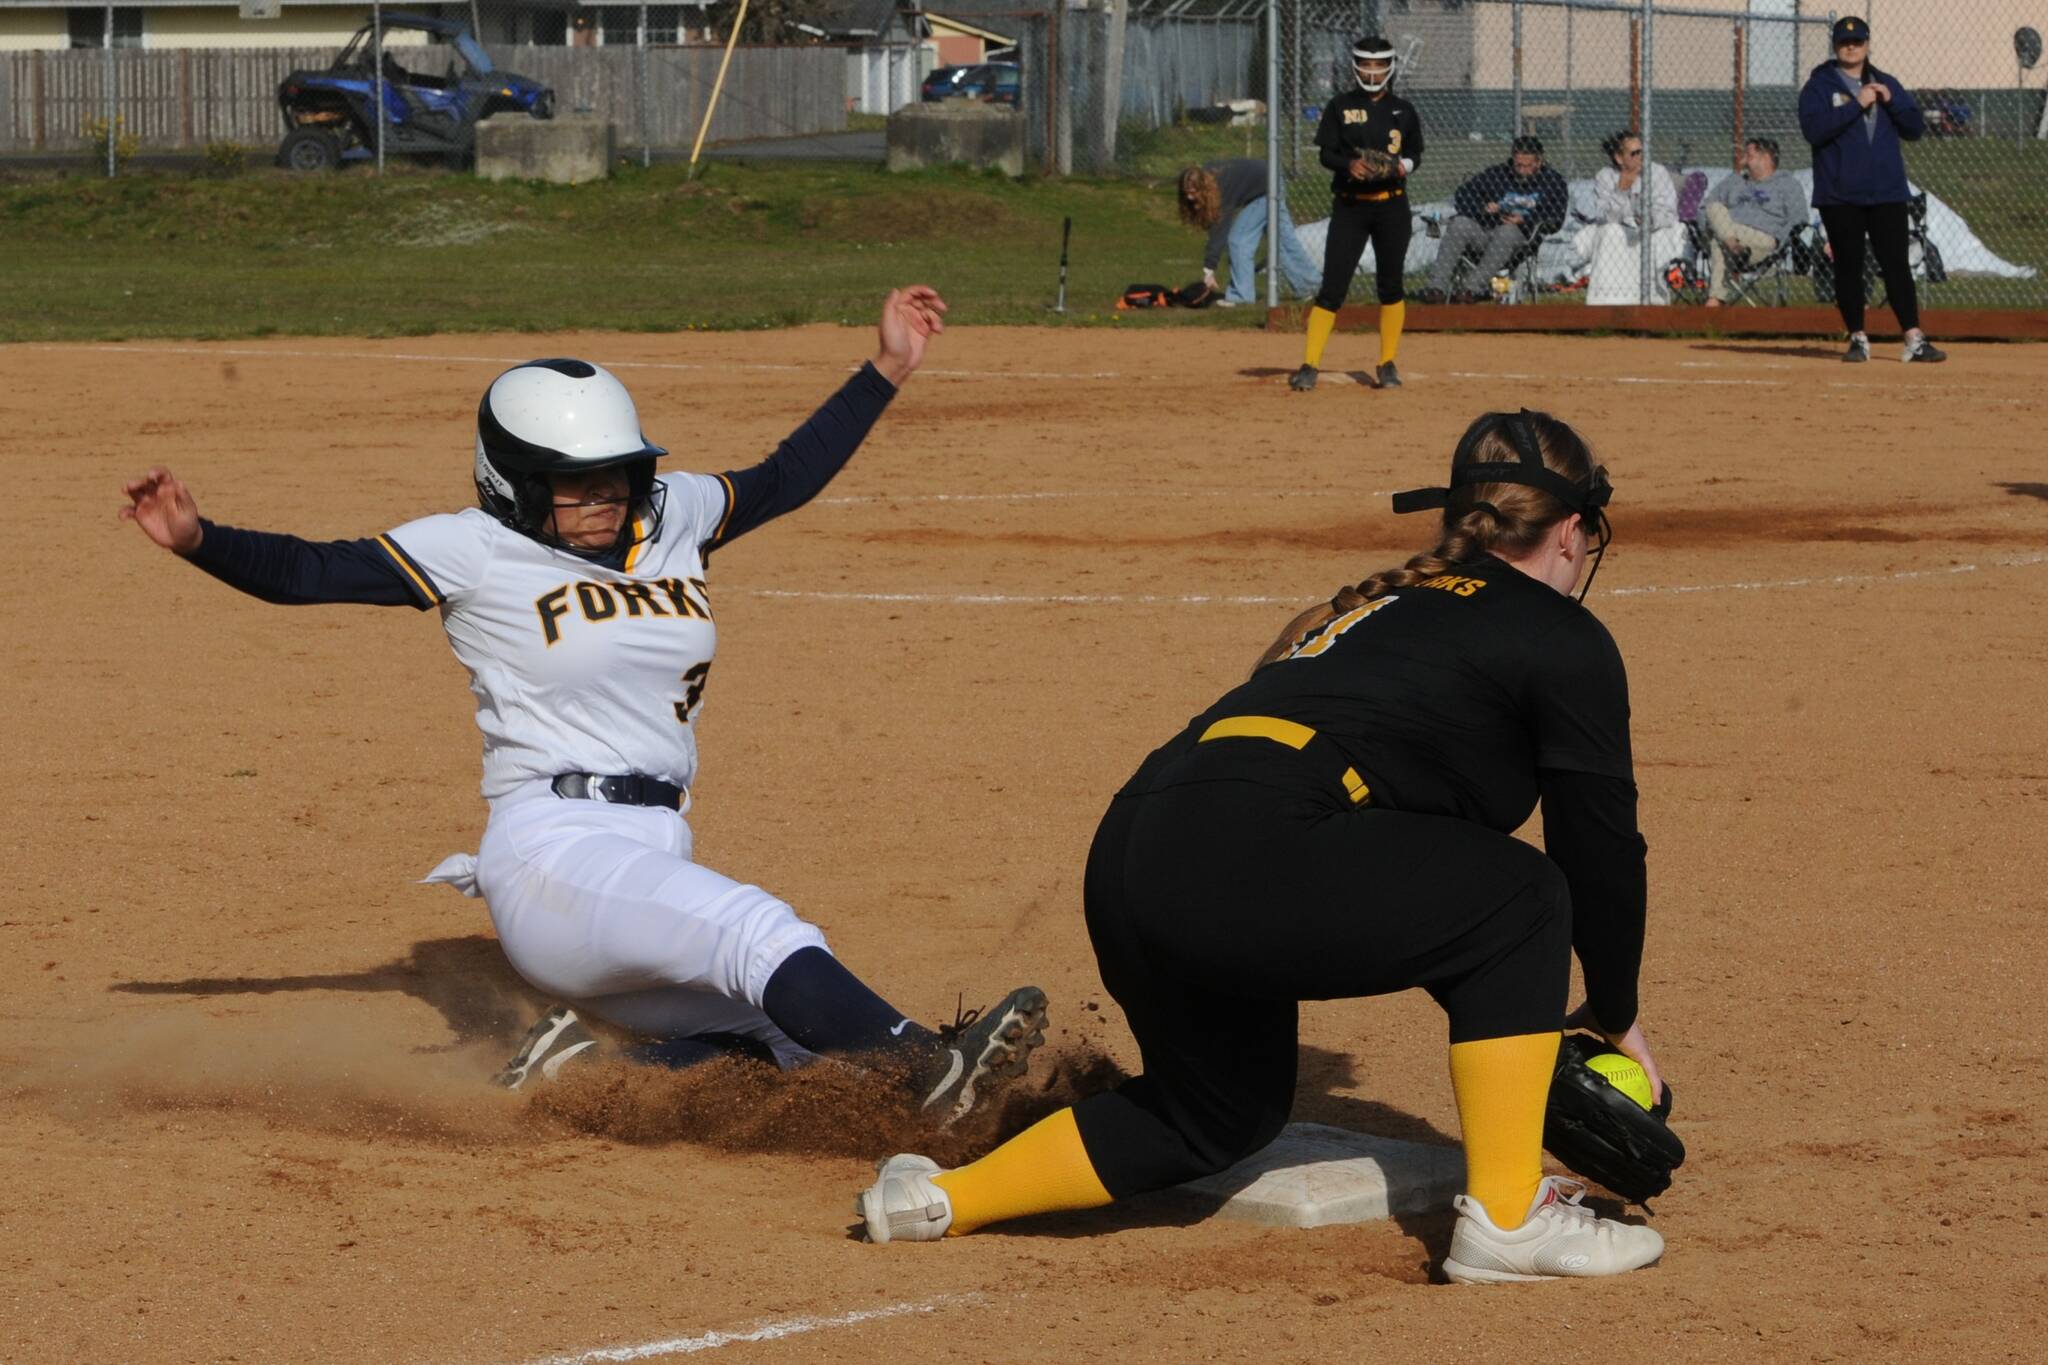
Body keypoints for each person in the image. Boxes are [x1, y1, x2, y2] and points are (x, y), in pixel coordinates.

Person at [117, 286, 1048, 1126]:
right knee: (763, 932)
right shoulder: (473, 550)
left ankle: (592, 1068)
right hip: (554, 858)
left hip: (651, 854)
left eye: (618, 471)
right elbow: (310, 571)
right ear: (515, 485)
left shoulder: (670, 515)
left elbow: (783, 476)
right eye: (578, 478)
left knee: (798, 1034)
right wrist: (201, 539)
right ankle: (935, 1067)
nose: (607, 493)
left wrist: (886, 368)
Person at [854, 410, 1669, 1286]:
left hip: (1138, 842)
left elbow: (1424, 889)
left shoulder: (1369, 605)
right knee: (1527, 897)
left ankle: (939, 1198)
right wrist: (1612, 1008)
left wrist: (1519, 1021)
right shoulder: (1560, 633)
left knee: (1216, 1112)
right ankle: (1510, 1218)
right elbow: (1600, 850)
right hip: (1256, 849)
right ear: (1575, 528)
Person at [1799, 14, 1946, 363]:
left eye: (1858, 41)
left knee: (1896, 264)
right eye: (1845, 42)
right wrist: (1856, 105)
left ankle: (1913, 338)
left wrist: (1890, 100)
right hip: (1840, 193)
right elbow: (1814, 131)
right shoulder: (1818, 87)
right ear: (1835, 46)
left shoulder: (1885, 81)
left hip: (1886, 191)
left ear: (1867, 44)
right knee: (1848, 266)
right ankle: (1858, 338)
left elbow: (1914, 129)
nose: (1851, 47)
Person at [1291, 35, 1425, 392]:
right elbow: (1325, 155)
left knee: (1391, 285)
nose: (1372, 70)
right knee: (1333, 288)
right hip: (1350, 206)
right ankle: (1309, 364)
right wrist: (1349, 163)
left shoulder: (1404, 110)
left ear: (1390, 67)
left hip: (1392, 205)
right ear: (1355, 66)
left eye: (1378, 64)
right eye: (1365, 64)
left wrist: (1401, 168)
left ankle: (1387, 362)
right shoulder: (1340, 106)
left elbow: (1415, 154)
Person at [1421, 136, 1568, 304]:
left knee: (1507, 232)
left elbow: (1556, 217)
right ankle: (1436, 288)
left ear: (1539, 162)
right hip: (1487, 229)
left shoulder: (1553, 182)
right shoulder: (1499, 174)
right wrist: (1483, 208)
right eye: (1518, 165)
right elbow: (1463, 194)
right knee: (1460, 223)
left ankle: (1471, 290)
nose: (1521, 170)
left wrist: (1525, 219)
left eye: (1527, 166)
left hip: (1521, 239)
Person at [1177, 161, 1320, 307]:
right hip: (1272, 181)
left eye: (1193, 193)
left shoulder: (1220, 189)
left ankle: (1242, 296)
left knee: (1239, 240)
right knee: (1283, 241)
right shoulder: (1207, 178)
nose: (1189, 197)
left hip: (1268, 189)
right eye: (1186, 193)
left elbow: (1219, 229)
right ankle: (1311, 287)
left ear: (1203, 188)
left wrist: (1209, 268)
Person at [1574, 131, 1683, 306]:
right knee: (1611, 232)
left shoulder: (1657, 172)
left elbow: (1668, 211)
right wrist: (1622, 188)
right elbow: (1605, 215)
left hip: (1652, 228)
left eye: (1642, 151)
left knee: (1646, 237)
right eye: (1634, 153)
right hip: (1619, 229)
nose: (1640, 157)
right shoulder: (1605, 176)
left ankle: (1649, 299)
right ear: (1619, 158)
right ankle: (1607, 300)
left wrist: (1649, 220)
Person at [1699, 137, 1809, 307]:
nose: (1743, 157)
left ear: (1766, 158)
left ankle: (1715, 300)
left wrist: (1781, 241)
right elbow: (1704, 208)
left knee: (1718, 237)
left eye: (1749, 154)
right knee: (1714, 207)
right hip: (1733, 241)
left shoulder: (1788, 184)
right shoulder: (1735, 181)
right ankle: (1733, 246)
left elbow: (1799, 218)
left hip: (1763, 238)